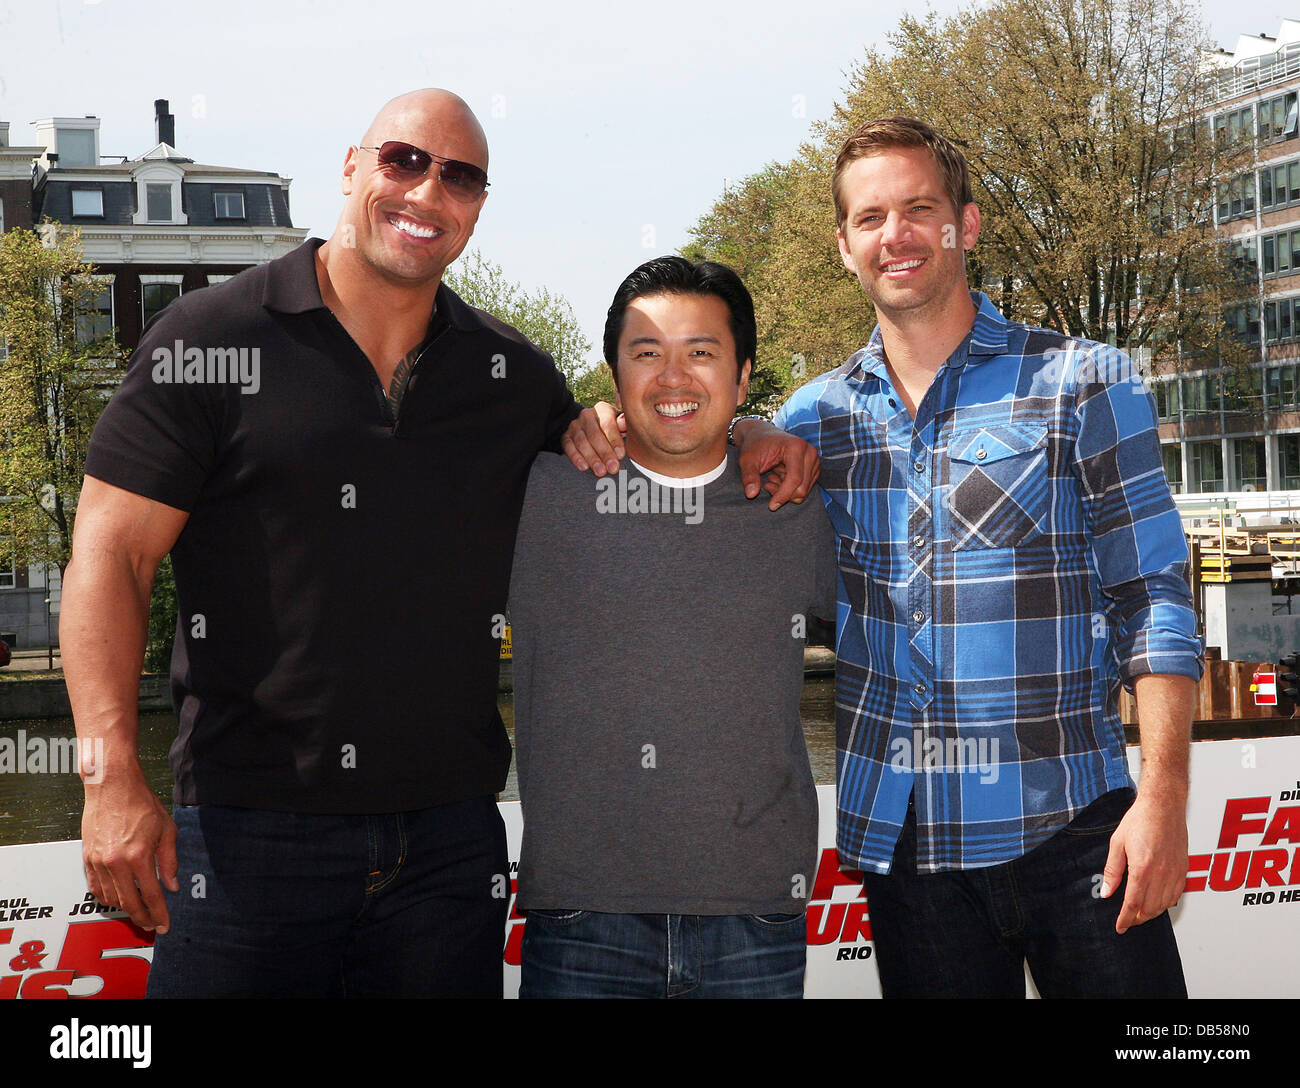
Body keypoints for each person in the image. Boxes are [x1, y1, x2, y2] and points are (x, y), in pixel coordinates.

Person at [569, 117, 1203, 998]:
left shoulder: (1085, 382)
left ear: (966, 227)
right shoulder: (812, 423)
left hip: (1079, 835)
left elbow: (1156, 598)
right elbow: (701, 460)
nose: (894, 235)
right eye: (869, 218)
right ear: (843, 244)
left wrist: (1164, 798)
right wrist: (626, 421)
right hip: (908, 856)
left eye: (918, 209)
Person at [61, 89, 590, 998]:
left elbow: (653, 448)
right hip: (244, 842)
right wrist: (109, 777)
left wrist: (752, 440)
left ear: (478, 208)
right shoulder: (208, 338)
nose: (428, 191)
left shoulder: (513, 376)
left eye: (461, 177)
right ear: (351, 167)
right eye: (405, 160)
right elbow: (111, 555)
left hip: (450, 847)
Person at [509, 256, 837, 998]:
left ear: (745, 376)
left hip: (757, 918)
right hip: (580, 917)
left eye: (702, 353)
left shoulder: (795, 504)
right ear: (614, 376)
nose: (674, 377)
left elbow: (897, 645)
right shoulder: (540, 496)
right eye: (647, 353)